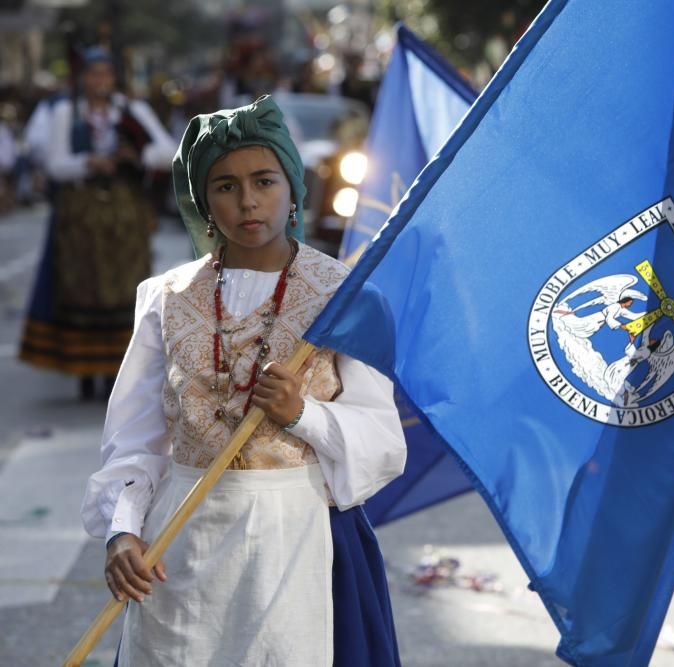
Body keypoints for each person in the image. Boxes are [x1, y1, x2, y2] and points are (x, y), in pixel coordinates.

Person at [80, 95, 407, 665]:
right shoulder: (165, 298)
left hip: (297, 539)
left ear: (294, 187)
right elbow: (134, 440)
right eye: (225, 186)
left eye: (264, 180)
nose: (248, 201)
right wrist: (122, 531)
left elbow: (384, 442)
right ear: (203, 200)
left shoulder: (346, 298)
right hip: (181, 546)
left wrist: (304, 414)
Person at [18, 47, 175, 399]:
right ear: (82, 78)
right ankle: (85, 372)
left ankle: (118, 370)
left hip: (123, 218)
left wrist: (133, 156)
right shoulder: (65, 112)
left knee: (124, 289)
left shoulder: (131, 110)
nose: (99, 81)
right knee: (81, 286)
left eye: (106, 74)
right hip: (81, 216)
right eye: (93, 74)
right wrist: (88, 163)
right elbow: (55, 163)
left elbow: (167, 151)